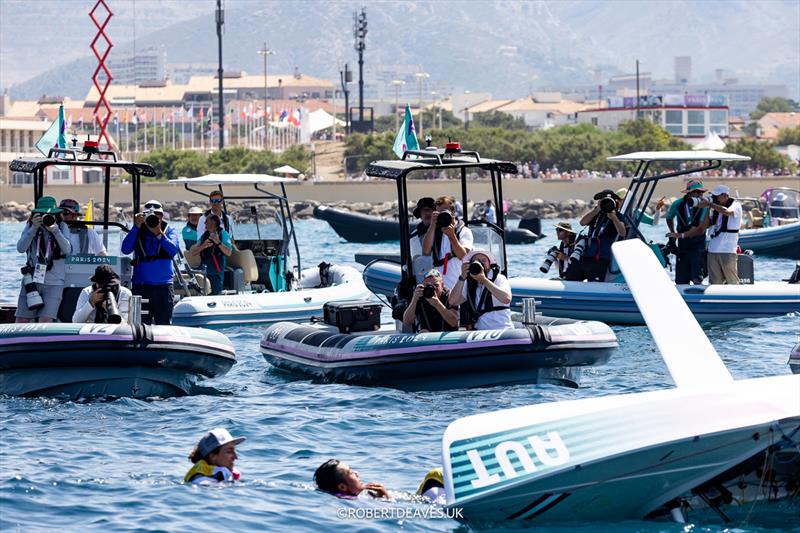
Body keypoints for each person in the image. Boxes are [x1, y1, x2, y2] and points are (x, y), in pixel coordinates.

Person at [121, 199, 180, 325]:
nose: (153, 218)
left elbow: (172, 250)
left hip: (163, 286)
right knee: (140, 324)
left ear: (162, 216)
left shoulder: (169, 230)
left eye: (157, 215)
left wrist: (159, 234)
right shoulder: (138, 230)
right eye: (150, 215)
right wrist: (136, 227)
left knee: (164, 324)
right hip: (141, 286)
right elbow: (125, 249)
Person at [15, 196, 72, 323]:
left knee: (45, 319)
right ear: (36, 214)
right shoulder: (30, 226)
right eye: (43, 213)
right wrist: (33, 229)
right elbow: (20, 248)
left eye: (50, 214)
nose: (47, 216)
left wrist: (55, 230)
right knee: (22, 319)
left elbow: (68, 250)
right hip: (31, 280)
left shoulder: (61, 227)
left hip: (54, 282)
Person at [566, 189, 627, 282]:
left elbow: (622, 232)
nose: (606, 204)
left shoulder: (618, 216)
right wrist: (597, 209)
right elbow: (582, 222)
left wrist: (614, 218)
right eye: (603, 201)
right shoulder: (596, 213)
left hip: (600, 258)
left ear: (615, 202)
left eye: (609, 202)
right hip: (584, 254)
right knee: (570, 277)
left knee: (594, 283)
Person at [449, 250, 513, 330]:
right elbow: (452, 301)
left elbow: (506, 299)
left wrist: (484, 280)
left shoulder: (499, 278)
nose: (481, 264)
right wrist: (462, 277)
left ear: (489, 264)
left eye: (483, 260)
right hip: (480, 333)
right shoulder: (469, 283)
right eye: (476, 261)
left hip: (501, 329)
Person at [421, 195, 474, 289]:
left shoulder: (463, 231)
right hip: (440, 287)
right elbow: (425, 252)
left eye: (444, 212)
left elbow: (464, 256)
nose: (442, 215)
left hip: (459, 286)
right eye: (438, 212)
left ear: (453, 212)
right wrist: (432, 225)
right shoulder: (435, 231)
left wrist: (451, 235)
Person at [665, 179, 709, 285]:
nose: (699, 194)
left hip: (698, 242)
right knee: (681, 279)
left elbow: (700, 229)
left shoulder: (704, 205)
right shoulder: (678, 203)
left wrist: (679, 235)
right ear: (689, 193)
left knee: (697, 277)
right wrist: (673, 233)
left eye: (701, 192)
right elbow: (669, 218)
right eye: (697, 192)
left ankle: (698, 296)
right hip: (683, 243)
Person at [703, 184, 742, 285]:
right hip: (713, 250)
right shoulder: (716, 209)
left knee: (732, 281)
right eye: (714, 197)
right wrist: (707, 208)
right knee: (714, 281)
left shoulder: (736, 205)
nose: (715, 198)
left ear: (725, 195)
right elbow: (706, 224)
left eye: (717, 196)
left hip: (727, 250)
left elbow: (727, 212)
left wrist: (710, 204)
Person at [187, 214, 232, 295]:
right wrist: (204, 245)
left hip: (216, 272)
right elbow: (193, 253)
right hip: (203, 271)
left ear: (213, 223)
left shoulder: (224, 234)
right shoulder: (205, 235)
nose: (204, 224)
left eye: (206, 221)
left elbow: (228, 252)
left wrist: (218, 242)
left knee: (215, 294)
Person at [313, 459, 390, 499]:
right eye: (351, 472)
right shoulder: (352, 500)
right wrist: (387, 497)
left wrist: (379, 497)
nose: (357, 473)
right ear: (342, 487)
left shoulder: (340, 497)